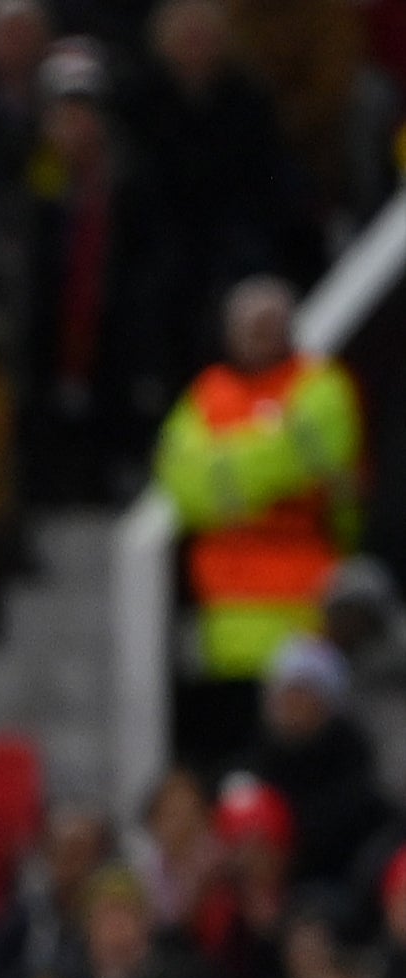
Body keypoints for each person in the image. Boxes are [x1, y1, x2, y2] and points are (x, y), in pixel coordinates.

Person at [155, 278, 363, 760]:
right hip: (224, 627)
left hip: (306, 619)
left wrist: (224, 472)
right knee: (234, 760)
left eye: (270, 325)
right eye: (249, 326)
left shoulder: (321, 385)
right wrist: (266, 464)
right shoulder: (208, 392)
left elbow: (310, 457)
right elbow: (180, 479)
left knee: (304, 758)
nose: (260, 336)